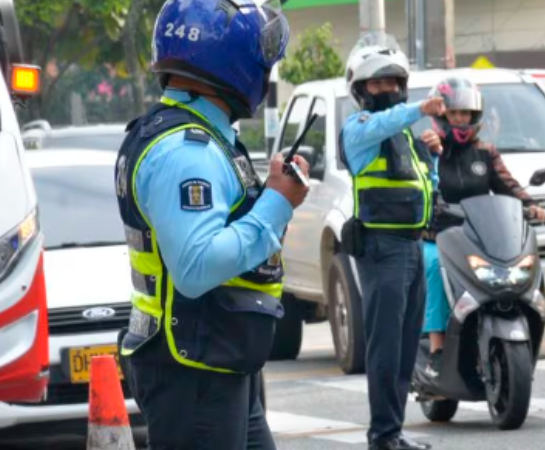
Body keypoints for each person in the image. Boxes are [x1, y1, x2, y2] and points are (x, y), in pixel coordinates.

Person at [112, 0, 300, 447]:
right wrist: (277, 205)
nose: (265, 76)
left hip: (217, 353)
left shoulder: (199, 137)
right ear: (232, 65)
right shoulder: (186, 151)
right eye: (262, 64)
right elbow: (196, 269)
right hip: (194, 372)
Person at [414, 76, 545, 378]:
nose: (460, 120)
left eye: (466, 114)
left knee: (522, 262)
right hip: (438, 236)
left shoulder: (485, 153)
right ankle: (436, 347)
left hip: (477, 237)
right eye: (453, 114)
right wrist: (430, 153)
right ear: (440, 115)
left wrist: (530, 205)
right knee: (434, 267)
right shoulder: (429, 147)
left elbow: (507, 184)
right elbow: (420, 181)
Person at [339, 36, 437, 450]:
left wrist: (434, 156)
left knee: (403, 348)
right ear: (361, 90)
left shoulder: (407, 137)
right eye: (377, 85)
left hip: (412, 247)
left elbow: (428, 188)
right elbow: (383, 122)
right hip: (383, 249)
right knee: (384, 348)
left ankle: (392, 433)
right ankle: (382, 435)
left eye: (394, 83)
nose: (387, 90)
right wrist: (418, 111)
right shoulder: (359, 129)